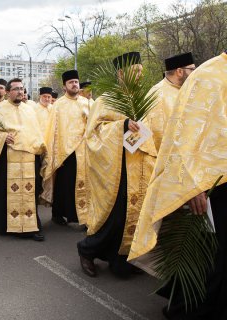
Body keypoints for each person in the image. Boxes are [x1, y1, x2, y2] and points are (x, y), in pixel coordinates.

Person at [128, 51, 227, 320]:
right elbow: (179, 137)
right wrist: (189, 185)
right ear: (180, 71)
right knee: (205, 252)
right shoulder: (204, 78)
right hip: (203, 181)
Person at [77, 52, 157, 278]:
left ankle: (121, 259)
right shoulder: (106, 100)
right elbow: (92, 135)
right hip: (116, 170)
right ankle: (86, 250)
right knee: (116, 217)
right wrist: (122, 126)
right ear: (121, 74)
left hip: (140, 167)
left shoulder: (142, 98)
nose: (140, 75)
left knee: (135, 216)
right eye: (136, 71)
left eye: (141, 71)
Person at [0, 78, 46, 241]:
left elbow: (37, 132)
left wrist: (41, 151)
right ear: (8, 91)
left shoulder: (30, 110)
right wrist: (2, 137)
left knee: (30, 192)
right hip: (7, 157)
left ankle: (31, 226)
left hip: (29, 158)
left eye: (21, 88)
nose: (20, 91)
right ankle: (5, 225)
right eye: (16, 89)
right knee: (4, 191)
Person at [41, 70, 90, 227]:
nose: (74, 84)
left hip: (84, 151)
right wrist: (54, 154)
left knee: (84, 184)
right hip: (65, 153)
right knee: (65, 185)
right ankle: (58, 214)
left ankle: (82, 216)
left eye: (76, 81)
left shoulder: (87, 103)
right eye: (71, 82)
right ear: (64, 86)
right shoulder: (58, 105)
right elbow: (52, 131)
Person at [144, 52, 195, 151]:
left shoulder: (186, 89)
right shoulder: (158, 94)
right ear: (179, 71)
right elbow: (158, 134)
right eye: (192, 69)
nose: (195, 73)